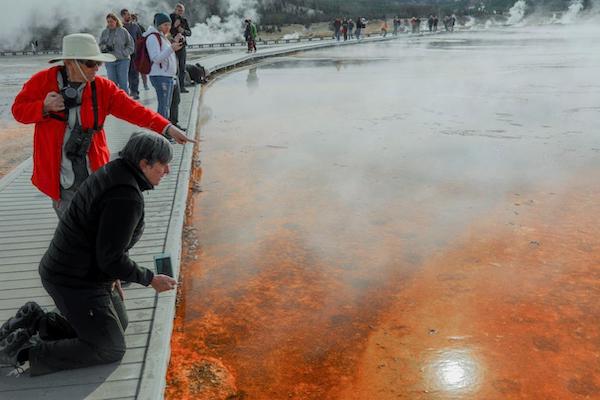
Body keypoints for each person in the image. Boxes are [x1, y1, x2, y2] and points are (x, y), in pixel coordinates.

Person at [0, 132, 178, 376]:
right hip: (73, 280)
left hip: (79, 270)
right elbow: (110, 257)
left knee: (119, 323)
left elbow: (105, 245)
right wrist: (150, 279)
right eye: (163, 164)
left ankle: (38, 321)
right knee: (110, 348)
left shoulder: (116, 170)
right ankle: (26, 352)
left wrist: (114, 273)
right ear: (144, 164)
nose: (167, 170)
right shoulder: (126, 197)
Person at [11, 33, 193, 217]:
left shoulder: (102, 87)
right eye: (91, 63)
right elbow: (18, 111)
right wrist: (43, 107)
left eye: (98, 63)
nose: (97, 68)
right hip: (59, 173)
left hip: (94, 167)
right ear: (70, 63)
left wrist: (167, 127)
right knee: (72, 226)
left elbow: (135, 110)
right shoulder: (42, 81)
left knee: (98, 218)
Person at [144, 13, 183, 122]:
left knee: (170, 104)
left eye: (169, 25)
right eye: (165, 25)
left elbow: (166, 53)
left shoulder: (162, 37)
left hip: (168, 75)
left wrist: (174, 42)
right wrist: (171, 48)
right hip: (160, 76)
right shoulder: (152, 37)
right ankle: (162, 133)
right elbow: (156, 58)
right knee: (163, 106)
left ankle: (170, 128)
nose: (168, 27)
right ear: (158, 25)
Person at [99, 13, 134, 94]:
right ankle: (114, 103)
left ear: (116, 21)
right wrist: (105, 47)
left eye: (111, 21)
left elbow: (131, 45)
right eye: (108, 22)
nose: (110, 23)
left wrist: (124, 53)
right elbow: (100, 45)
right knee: (112, 83)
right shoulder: (104, 32)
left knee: (123, 83)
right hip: (110, 60)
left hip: (123, 60)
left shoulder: (123, 31)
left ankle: (126, 103)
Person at [121, 9, 143, 100]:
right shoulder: (120, 27)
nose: (129, 16)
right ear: (122, 16)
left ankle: (135, 91)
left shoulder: (135, 26)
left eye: (129, 14)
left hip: (134, 53)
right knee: (124, 74)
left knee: (134, 73)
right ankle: (125, 92)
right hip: (124, 54)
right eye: (126, 15)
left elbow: (140, 38)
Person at [169, 3, 192, 93]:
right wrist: (174, 27)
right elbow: (167, 31)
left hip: (182, 46)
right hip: (172, 46)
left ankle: (181, 87)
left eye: (181, 11)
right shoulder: (170, 18)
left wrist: (183, 31)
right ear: (175, 10)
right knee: (173, 67)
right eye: (178, 10)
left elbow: (189, 33)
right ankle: (173, 87)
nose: (180, 12)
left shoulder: (184, 20)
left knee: (182, 67)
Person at [132, 13, 150, 91]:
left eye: (134, 18)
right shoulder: (127, 27)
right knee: (134, 71)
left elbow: (145, 38)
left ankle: (145, 84)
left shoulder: (140, 27)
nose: (133, 20)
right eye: (132, 18)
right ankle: (134, 88)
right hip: (132, 52)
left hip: (140, 51)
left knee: (142, 70)